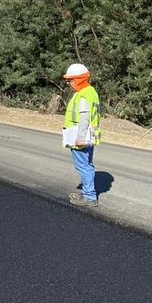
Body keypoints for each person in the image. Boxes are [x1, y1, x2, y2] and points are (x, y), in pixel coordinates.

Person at [62, 63, 102, 207]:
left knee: (83, 166)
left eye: (70, 80)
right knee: (87, 165)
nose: (68, 83)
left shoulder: (84, 95)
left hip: (81, 137)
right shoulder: (89, 92)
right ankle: (87, 192)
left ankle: (89, 196)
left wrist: (80, 138)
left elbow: (84, 118)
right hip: (88, 136)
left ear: (79, 79)